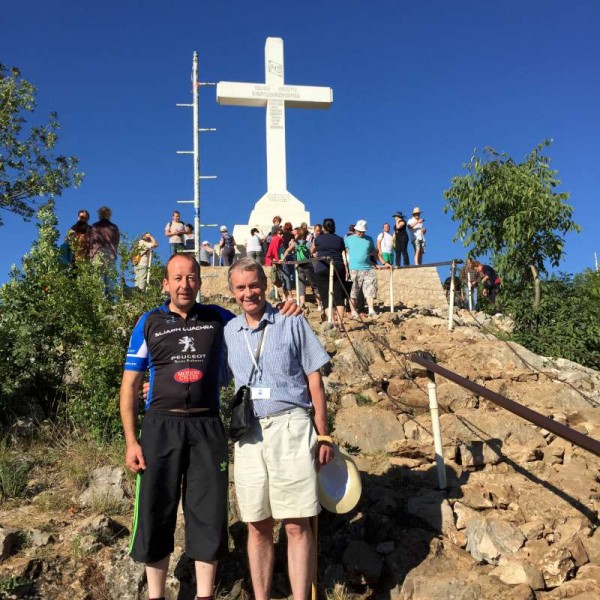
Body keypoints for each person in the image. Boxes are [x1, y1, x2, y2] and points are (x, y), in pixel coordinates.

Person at [120, 254, 300, 600]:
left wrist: (284, 310)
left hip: (206, 424)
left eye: (191, 278)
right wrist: (131, 441)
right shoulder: (148, 322)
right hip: (160, 426)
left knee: (208, 511)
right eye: (177, 278)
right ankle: (155, 595)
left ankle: (204, 595)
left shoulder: (219, 319)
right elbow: (129, 385)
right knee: (155, 511)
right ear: (165, 283)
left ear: (200, 283)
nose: (184, 284)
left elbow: (256, 318)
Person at [224, 258, 333, 600]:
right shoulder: (228, 332)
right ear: (232, 292)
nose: (248, 293)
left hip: (291, 425)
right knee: (256, 524)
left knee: (296, 523)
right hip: (250, 433)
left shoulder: (290, 320)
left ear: (266, 283)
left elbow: (314, 377)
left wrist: (324, 432)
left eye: (254, 285)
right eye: (240, 287)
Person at [344, 219, 389, 319]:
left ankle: (371, 310)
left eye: (362, 232)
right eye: (359, 231)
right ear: (355, 230)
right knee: (354, 291)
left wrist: (384, 263)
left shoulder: (369, 239)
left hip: (368, 268)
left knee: (370, 290)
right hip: (354, 268)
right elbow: (343, 251)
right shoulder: (348, 239)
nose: (361, 233)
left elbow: (375, 253)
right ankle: (353, 311)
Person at [312, 218, 348, 328]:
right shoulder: (339, 239)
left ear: (323, 227)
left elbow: (312, 250)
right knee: (338, 295)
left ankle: (331, 321)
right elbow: (343, 251)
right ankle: (341, 322)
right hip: (338, 266)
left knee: (325, 295)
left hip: (322, 267)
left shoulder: (318, 239)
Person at [89, 206, 120, 295]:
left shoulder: (94, 226)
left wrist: (91, 255)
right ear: (109, 215)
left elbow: (90, 242)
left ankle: (100, 305)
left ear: (99, 215)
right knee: (111, 282)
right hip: (110, 254)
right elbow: (116, 242)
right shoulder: (114, 227)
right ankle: (113, 304)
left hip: (97, 254)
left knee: (99, 283)